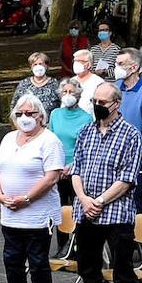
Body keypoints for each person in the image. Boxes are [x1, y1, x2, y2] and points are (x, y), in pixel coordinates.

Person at [70, 82, 142, 283]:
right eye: (95, 102)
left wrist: (99, 201)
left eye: (102, 102)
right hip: (85, 211)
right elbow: (76, 170)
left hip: (116, 214)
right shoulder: (85, 131)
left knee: (123, 273)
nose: (97, 106)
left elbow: (127, 179)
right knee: (87, 269)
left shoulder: (131, 134)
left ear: (116, 104)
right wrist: (83, 199)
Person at [0, 93, 63, 283]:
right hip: (10, 215)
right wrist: (0, 195)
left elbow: (51, 177)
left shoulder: (50, 141)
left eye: (30, 113)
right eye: (20, 113)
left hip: (37, 216)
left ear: (40, 116)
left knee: (38, 264)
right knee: (12, 263)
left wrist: (26, 198)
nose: (25, 117)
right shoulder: (8, 139)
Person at [50, 77, 93, 253]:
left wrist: (72, 165)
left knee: (78, 208)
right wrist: (57, 165)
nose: (68, 95)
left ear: (79, 94)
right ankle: (62, 246)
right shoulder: (55, 114)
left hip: (77, 171)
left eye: (72, 92)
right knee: (59, 209)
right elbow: (51, 141)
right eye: (65, 92)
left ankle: (77, 246)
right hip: (57, 169)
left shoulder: (87, 118)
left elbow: (87, 147)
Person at [10, 51, 60, 115]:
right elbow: (14, 105)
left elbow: (62, 104)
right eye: (35, 64)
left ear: (46, 66)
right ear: (31, 67)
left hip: (50, 120)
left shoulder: (55, 84)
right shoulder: (24, 84)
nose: (38, 67)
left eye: (40, 64)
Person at [115, 48, 142, 135]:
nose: (116, 68)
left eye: (121, 64)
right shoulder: (116, 85)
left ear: (134, 68)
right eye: (116, 64)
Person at [72, 49, 105, 116]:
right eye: (74, 61)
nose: (76, 64)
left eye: (79, 61)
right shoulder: (71, 81)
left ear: (89, 64)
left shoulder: (99, 82)